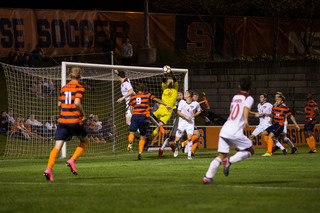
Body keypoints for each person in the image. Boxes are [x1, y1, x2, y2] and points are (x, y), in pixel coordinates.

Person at [203, 76, 254, 184]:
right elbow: (245, 108)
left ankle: (207, 177)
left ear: (239, 86)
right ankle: (229, 161)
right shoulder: (248, 98)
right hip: (235, 131)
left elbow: (239, 110)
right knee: (250, 150)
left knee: (220, 155)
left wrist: (254, 115)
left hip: (225, 129)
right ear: (251, 87)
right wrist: (245, 120)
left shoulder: (235, 97)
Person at [43, 67, 88, 181]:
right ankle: (72, 160)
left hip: (63, 121)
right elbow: (77, 102)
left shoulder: (63, 88)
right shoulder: (80, 88)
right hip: (74, 120)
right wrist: (83, 114)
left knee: (57, 146)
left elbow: (59, 104)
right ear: (80, 76)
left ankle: (48, 169)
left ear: (69, 76)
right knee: (84, 141)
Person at [128, 83, 173, 160]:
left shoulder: (133, 97)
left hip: (135, 116)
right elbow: (156, 99)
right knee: (142, 135)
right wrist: (166, 104)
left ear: (137, 89)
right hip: (143, 116)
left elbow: (131, 106)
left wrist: (133, 113)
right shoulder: (147, 95)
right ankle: (140, 153)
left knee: (132, 132)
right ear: (144, 89)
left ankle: (130, 142)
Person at [173, 90, 202, 160]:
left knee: (189, 138)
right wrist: (185, 116)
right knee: (177, 139)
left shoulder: (195, 104)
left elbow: (199, 110)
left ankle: (189, 155)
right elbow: (178, 112)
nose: (184, 94)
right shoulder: (182, 102)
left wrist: (194, 114)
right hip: (182, 123)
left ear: (189, 95)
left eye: (185, 93)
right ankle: (177, 147)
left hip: (190, 123)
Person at [151, 71, 178, 139]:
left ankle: (149, 138)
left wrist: (172, 74)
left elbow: (175, 80)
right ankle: (140, 132)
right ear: (167, 83)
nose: (170, 82)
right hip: (161, 109)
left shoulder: (175, 89)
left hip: (168, 112)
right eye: (169, 81)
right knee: (150, 121)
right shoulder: (165, 89)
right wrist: (165, 75)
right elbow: (163, 80)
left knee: (159, 126)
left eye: (171, 81)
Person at [114, 70, 135, 150]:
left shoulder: (126, 83)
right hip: (129, 104)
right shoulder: (126, 81)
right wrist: (117, 72)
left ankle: (139, 130)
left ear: (119, 77)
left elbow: (131, 91)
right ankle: (139, 130)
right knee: (128, 122)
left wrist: (122, 98)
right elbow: (125, 77)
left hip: (132, 104)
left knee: (130, 121)